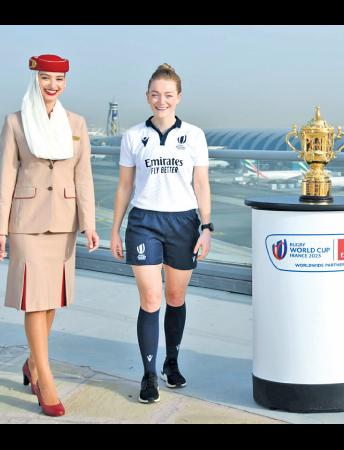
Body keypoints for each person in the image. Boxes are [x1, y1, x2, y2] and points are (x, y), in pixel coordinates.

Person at [0, 54, 99, 417]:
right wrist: (0, 230)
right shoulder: (16, 122)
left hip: (64, 223)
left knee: (51, 300)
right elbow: (7, 177)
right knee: (34, 301)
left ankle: (32, 363)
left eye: (59, 79)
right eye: (45, 78)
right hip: (27, 223)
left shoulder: (77, 123)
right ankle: (46, 379)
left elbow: (83, 177)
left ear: (66, 83)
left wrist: (90, 224)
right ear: (35, 80)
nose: (52, 85)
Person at [110, 63, 212, 404]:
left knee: (175, 298)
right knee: (150, 299)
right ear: (147, 96)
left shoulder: (194, 135)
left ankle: (172, 362)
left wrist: (206, 227)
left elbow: (201, 183)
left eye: (168, 95)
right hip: (144, 223)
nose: (161, 100)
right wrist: (115, 229)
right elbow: (125, 186)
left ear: (179, 97)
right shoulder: (133, 136)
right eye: (155, 94)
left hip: (183, 223)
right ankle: (149, 374)